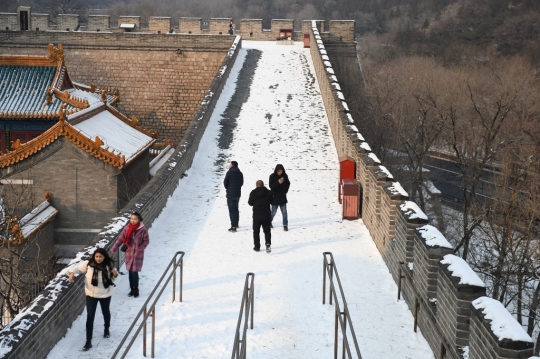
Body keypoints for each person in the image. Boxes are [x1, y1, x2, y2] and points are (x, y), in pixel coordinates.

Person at [67, 248, 118, 351]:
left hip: (105, 294)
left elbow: (113, 279)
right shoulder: (88, 264)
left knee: (105, 312)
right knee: (90, 317)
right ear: (94, 257)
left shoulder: (108, 266)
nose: (98, 259)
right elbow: (76, 269)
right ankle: (88, 342)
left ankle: (106, 329)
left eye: (101, 257)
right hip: (91, 294)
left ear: (104, 257)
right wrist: (72, 273)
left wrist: (115, 275)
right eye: (97, 256)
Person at [111, 212, 150, 298]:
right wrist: (114, 248)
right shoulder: (127, 228)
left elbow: (146, 240)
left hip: (137, 254)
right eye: (131, 219)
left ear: (139, 219)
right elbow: (120, 239)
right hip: (129, 253)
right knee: (130, 271)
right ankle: (132, 289)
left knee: (134, 272)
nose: (133, 221)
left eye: (135, 219)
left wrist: (140, 248)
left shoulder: (143, 230)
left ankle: (136, 289)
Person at [248, 180, 273, 253]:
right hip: (266, 215)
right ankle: (268, 243)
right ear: (263, 185)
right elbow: (272, 201)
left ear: (256, 185)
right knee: (267, 231)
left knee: (256, 232)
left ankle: (257, 246)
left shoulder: (253, 192)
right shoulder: (268, 192)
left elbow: (250, 203)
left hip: (256, 215)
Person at [269, 164, 291, 231]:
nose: (280, 172)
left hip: (282, 197)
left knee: (284, 212)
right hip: (274, 197)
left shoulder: (285, 176)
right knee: (273, 212)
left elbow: (288, 184)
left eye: (281, 171)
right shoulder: (272, 176)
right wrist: (278, 182)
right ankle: (269, 222)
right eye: (278, 171)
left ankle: (285, 225)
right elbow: (271, 186)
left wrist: (285, 191)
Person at [224, 161, 244, 232]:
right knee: (236, 208)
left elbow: (225, 182)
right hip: (237, 193)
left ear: (232, 165)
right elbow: (241, 183)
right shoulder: (240, 173)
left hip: (230, 194)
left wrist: (228, 188)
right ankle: (236, 223)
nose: (229, 165)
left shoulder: (229, 173)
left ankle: (233, 226)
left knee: (231, 210)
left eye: (230, 164)